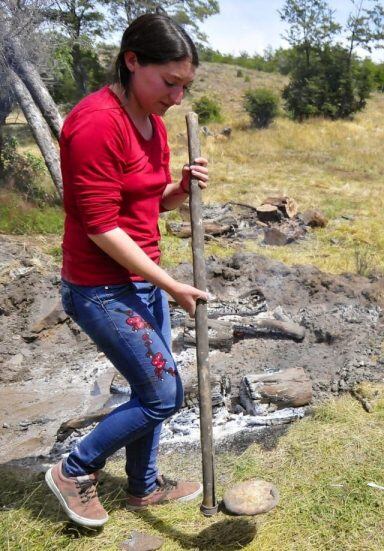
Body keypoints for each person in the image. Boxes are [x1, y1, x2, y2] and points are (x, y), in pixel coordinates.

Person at [45, 14, 210, 528]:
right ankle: (73, 471)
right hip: (101, 288)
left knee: (151, 391)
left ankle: (143, 486)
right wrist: (171, 284)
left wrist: (179, 190)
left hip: (142, 279)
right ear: (132, 60)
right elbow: (99, 226)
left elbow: (141, 204)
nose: (177, 98)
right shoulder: (96, 122)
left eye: (185, 86)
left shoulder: (154, 123)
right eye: (169, 82)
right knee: (163, 394)